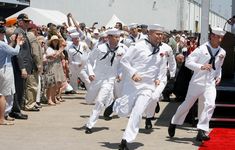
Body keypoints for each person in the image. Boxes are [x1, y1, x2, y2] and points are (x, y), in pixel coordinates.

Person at [104, 24, 164, 149]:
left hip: (148, 86)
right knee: (123, 112)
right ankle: (115, 104)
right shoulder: (138, 46)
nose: (160, 36)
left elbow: (160, 67)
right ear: (149, 33)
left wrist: (158, 79)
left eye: (161, 34)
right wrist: (133, 73)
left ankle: (126, 140)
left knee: (137, 112)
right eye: (157, 34)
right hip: (133, 84)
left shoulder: (162, 50)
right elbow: (124, 60)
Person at [168, 27, 226, 142]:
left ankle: (202, 130)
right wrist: (201, 67)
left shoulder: (222, 52)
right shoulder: (201, 49)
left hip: (210, 83)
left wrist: (219, 76)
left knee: (210, 105)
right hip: (197, 82)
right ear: (212, 36)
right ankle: (174, 122)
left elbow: (219, 67)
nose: (219, 40)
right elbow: (188, 62)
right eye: (218, 37)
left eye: (221, 37)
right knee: (187, 105)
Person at [85, 28, 127, 134]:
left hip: (110, 79)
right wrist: (90, 73)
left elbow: (122, 65)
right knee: (89, 100)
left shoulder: (121, 50)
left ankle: (90, 125)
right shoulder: (100, 48)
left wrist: (120, 74)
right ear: (109, 37)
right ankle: (95, 100)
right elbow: (89, 61)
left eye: (119, 37)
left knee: (99, 101)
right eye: (116, 37)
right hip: (97, 77)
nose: (118, 39)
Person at [10, 13, 34, 120]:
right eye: (26, 21)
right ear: (20, 22)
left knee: (21, 88)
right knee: (18, 89)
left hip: (23, 65)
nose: (28, 23)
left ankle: (17, 109)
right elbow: (18, 52)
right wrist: (22, 68)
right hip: (19, 67)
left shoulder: (23, 32)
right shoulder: (18, 33)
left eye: (28, 21)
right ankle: (15, 110)